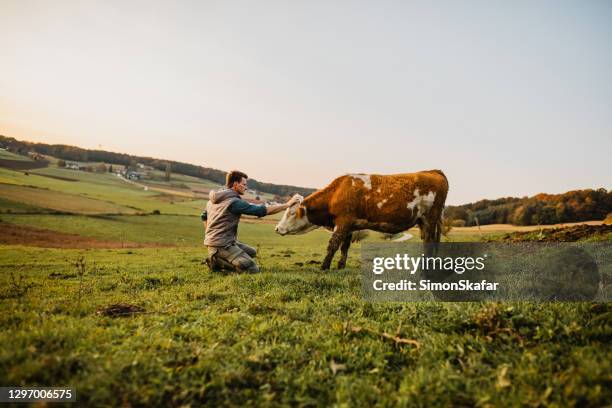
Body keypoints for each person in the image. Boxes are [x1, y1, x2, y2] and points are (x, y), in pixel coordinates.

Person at [202, 170, 300, 273]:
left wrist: (211, 235)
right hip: (222, 246)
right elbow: (260, 210)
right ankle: (216, 264)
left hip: (222, 242)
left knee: (252, 252)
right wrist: (287, 205)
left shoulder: (212, 201)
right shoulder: (234, 202)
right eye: (244, 184)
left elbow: (204, 216)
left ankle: (219, 257)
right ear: (236, 184)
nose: (246, 187)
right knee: (252, 269)